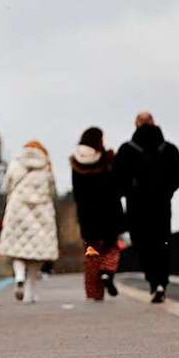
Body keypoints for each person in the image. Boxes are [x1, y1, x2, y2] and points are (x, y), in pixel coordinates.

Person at [114, 111, 179, 303]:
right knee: (161, 243)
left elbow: (116, 177)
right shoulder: (168, 149)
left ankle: (153, 280)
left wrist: (128, 191)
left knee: (142, 244)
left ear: (136, 124)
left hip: (137, 207)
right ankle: (162, 281)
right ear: (154, 123)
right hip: (161, 205)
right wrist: (168, 190)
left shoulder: (127, 150)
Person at [0, 141, 59, 303]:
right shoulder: (46, 167)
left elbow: (6, 187)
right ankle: (29, 293)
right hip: (41, 213)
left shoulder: (15, 164)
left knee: (16, 250)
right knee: (37, 255)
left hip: (17, 210)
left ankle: (19, 276)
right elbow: (52, 190)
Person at [70, 127, 124, 301]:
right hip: (109, 211)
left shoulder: (76, 162)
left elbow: (77, 193)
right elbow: (116, 185)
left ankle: (93, 293)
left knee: (91, 253)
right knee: (111, 247)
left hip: (87, 214)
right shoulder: (106, 160)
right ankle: (107, 272)